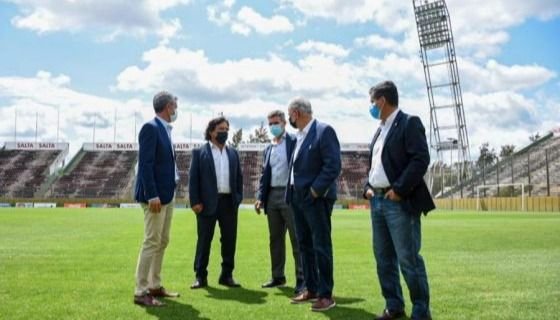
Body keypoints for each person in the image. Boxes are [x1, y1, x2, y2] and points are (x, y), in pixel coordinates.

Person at [364, 81, 435, 320]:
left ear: (382, 100)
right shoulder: (379, 129)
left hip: (398, 202)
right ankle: (393, 305)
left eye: (372, 101)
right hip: (377, 202)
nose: (371, 106)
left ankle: (421, 312)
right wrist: (368, 187)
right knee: (383, 259)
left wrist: (399, 190)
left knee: (408, 259)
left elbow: (420, 159)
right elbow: (374, 166)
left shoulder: (408, 123)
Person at [285, 97, 341, 312]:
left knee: (321, 245)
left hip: (315, 199)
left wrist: (315, 190)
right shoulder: (298, 136)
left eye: (290, 115)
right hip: (297, 198)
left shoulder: (323, 131)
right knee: (304, 245)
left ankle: (326, 295)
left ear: (296, 113)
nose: (289, 119)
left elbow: (333, 165)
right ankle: (311, 288)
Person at [133, 91, 181, 307]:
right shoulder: (150, 128)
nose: (176, 110)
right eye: (175, 105)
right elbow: (145, 164)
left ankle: (154, 285)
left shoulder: (166, 130)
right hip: (155, 197)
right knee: (152, 241)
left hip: (167, 195)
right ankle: (141, 291)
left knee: (162, 241)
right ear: (168, 106)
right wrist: (152, 194)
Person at [189, 116, 243, 289]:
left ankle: (226, 275)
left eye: (227, 129)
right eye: (221, 129)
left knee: (229, 240)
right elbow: (193, 179)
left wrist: (238, 198)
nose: (224, 133)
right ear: (211, 132)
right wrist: (195, 201)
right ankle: (200, 276)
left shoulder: (233, 153)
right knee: (204, 240)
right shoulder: (200, 152)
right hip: (206, 204)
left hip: (229, 203)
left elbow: (239, 178)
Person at [255, 110, 304, 293]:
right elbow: (263, 175)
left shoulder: (293, 141)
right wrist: (260, 197)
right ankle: (278, 276)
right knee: (275, 239)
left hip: (290, 194)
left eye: (276, 122)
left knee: (296, 238)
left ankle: (302, 279)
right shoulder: (268, 148)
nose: (273, 126)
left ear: (284, 122)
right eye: (270, 124)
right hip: (272, 197)